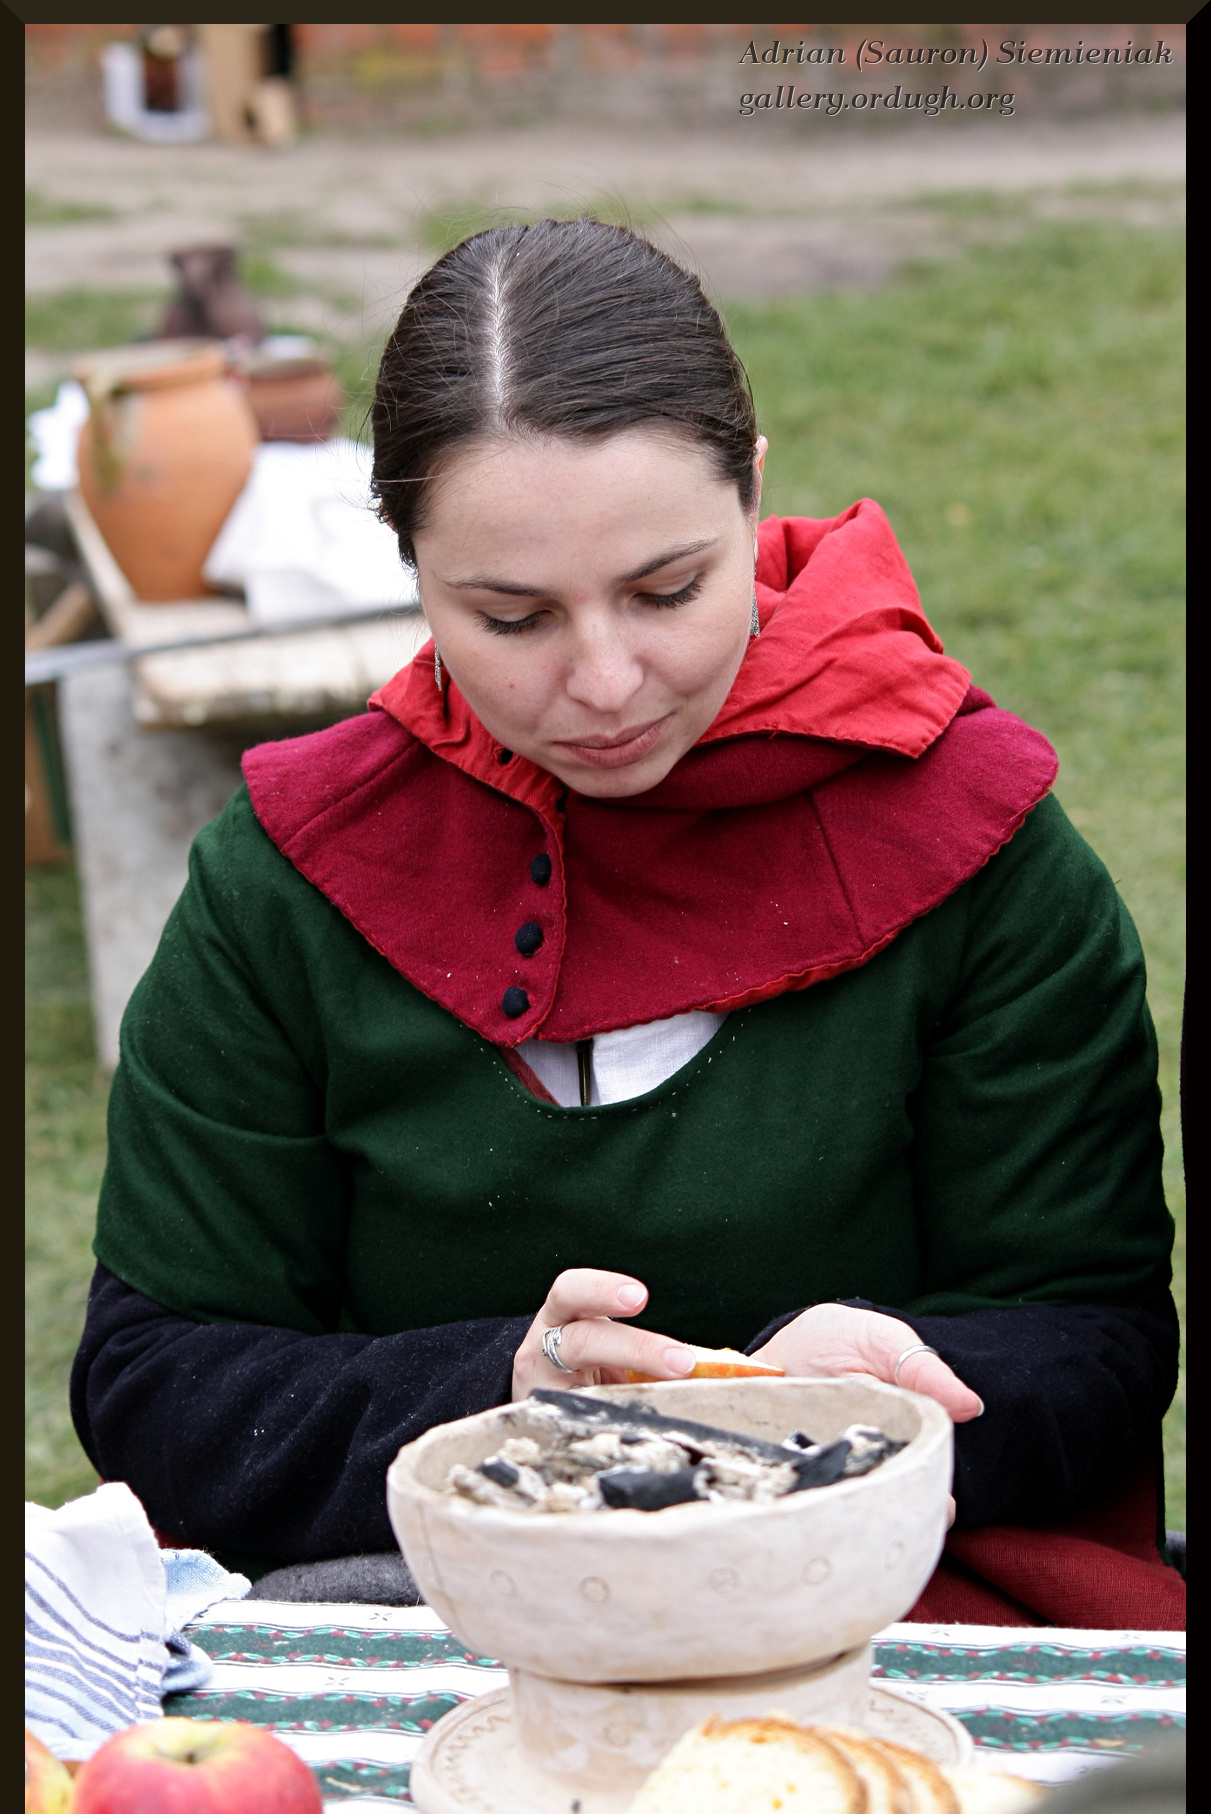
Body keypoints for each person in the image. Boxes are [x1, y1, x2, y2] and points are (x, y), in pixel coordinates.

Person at [71, 220, 1183, 1624]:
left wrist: (866, 1402)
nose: (604, 682)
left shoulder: (974, 843)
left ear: (752, 488)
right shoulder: (289, 879)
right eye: (512, 616)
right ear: (407, 561)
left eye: (668, 591)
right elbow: (158, 1384)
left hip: (888, 1601)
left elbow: (1097, 1337)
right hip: (441, 1608)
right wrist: (505, 1400)